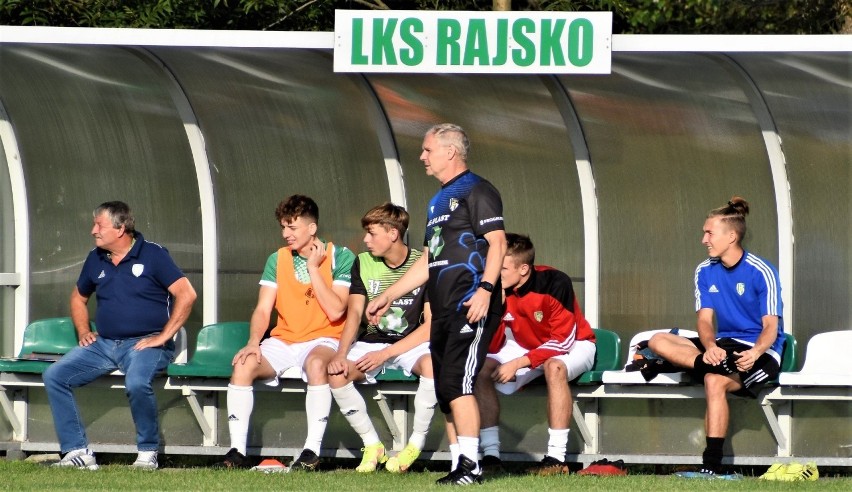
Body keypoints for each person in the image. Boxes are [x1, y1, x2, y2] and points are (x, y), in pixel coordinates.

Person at [366, 123, 506, 485]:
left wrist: (486, 290)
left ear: (450, 152)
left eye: (428, 150)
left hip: (471, 303)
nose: (422, 157)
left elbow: (498, 243)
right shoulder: (436, 201)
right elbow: (430, 259)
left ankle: (471, 468)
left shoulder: (478, 189)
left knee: (458, 384)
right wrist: (388, 294)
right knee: (446, 387)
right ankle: (460, 465)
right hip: (443, 308)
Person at [43, 201, 197, 470]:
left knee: (137, 382)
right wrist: (83, 330)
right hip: (103, 344)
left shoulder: (153, 255)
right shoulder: (96, 257)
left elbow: (187, 295)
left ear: (120, 228)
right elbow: (78, 298)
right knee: (55, 376)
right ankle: (78, 452)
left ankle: (148, 452)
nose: (93, 231)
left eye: (99, 225)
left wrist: (163, 337)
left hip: (144, 344)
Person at [648, 196, 784, 480]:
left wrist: (756, 353)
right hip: (722, 347)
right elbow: (704, 320)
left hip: (757, 351)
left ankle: (711, 466)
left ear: (731, 236)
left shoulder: (762, 271)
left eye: (709, 233)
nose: (704, 239)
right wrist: (709, 347)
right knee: (657, 340)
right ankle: (706, 363)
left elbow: (771, 327)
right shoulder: (704, 270)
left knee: (713, 380)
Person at [218, 195, 354, 470]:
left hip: (324, 339)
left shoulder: (341, 255)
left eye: (292, 228)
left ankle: (311, 451)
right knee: (243, 364)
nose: (285, 234)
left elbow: (337, 311)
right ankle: (237, 452)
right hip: (283, 340)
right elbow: (262, 308)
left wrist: (314, 269)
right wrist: (254, 342)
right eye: (283, 227)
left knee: (317, 365)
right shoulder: (277, 259)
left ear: (312, 228)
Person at [327, 203, 436, 473]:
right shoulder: (362, 262)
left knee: (434, 366)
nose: (365, 240)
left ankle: (415, 444)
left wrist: (386, 354)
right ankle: (372, 445)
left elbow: (431, 326)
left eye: (371, 233)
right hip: (371, 343)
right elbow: (353, 314)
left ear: (393, 234)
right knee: (337, 373)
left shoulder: (423, 265)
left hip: (412, 344)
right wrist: (341, 354)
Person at [475, 233, 596, 475]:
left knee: (555, 367)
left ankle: (555, 458)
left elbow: (563, 341)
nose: (495, 272)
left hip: (576, 344)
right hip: (525, 345)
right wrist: (495, 310)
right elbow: (493, 343)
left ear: (524, 269)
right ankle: (490, 457)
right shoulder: (494, 287)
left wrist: (519, 363)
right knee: (481, 369)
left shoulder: (555, 281)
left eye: (503, 267)